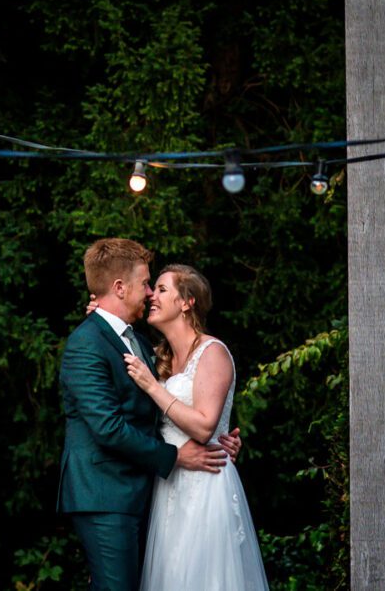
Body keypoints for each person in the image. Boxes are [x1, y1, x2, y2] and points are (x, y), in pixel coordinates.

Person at [57, 238, 241, 591]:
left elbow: (159, 415)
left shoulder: (140, 344)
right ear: (119, 287)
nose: (149, 293)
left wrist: (223, 436)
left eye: (157, 287)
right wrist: (175, 454)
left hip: (147, 492)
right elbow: (108, 427)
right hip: (106, 493)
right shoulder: (87, 342)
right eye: (146, 284)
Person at [122, 264, 269, 591]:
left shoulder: (212, 353)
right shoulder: (159, 357)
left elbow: (204, 428)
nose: (151, 296)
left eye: (161, 289)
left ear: (187, 302)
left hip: (206, 487)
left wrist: (152, 387)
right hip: (169, 488)